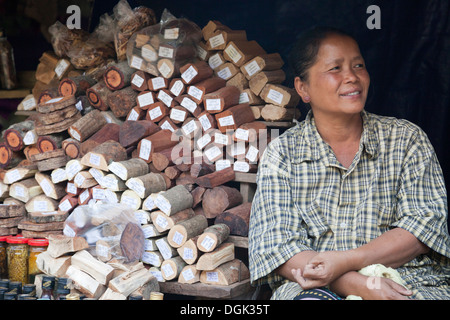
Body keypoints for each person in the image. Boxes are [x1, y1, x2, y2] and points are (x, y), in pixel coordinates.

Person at [248, 26, 450, 300]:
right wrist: (356, 284)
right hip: (314, 289)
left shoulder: (406, 140)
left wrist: (345, 261)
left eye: (358, 65)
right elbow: (277, 247)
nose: (352, 77)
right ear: (303, 88)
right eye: (335, 69)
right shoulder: (283, 154)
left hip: (407, 282)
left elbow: (424, 226)